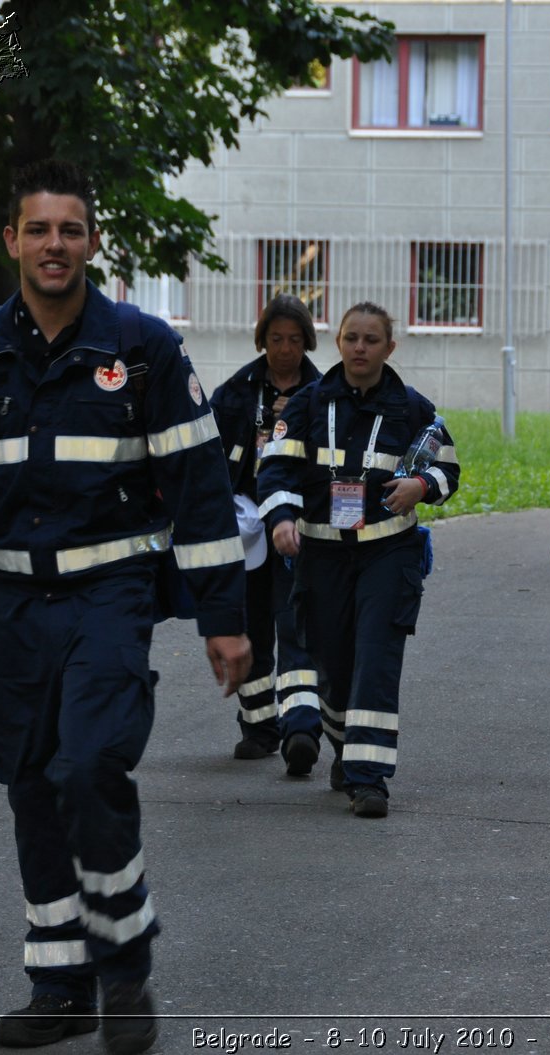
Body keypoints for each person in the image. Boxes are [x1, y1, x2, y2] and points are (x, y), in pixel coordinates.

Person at [0, 159, 251, 1055]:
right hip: (13, 603)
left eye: (72, 230)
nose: (56, 245)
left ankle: (123, 970)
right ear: (11, 240)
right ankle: (61, 987)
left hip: (108, 595)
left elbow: (199, 485)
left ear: (92, 242)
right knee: (29, 781)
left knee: (90, 766)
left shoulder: (143, 348)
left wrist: (223, 615)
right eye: (39, 230)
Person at [256, 301, 460, 818]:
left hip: (389, 552)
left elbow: (448, 469)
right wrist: (282, 519)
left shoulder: (415, 409)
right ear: (338, 342)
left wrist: (422, 484)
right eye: (351, 338)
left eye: (371, 340)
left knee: (376, 656)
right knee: (332, 662)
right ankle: (347, 746)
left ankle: (369, 780)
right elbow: (275, 469)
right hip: (321, 554)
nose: (360, 348)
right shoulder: (306, 404)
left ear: (389, 347)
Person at [209, 296, 323, 760]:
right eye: (276, 339)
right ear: (262, 340)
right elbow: (208, 455)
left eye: (294, 340)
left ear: (307, 343)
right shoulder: (237, 391)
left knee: (295, 622)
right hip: (246, 526)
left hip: (300, 524)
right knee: (252, 622)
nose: (284, 349)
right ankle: (258, 727)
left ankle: (301, 728)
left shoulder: (322, 392)